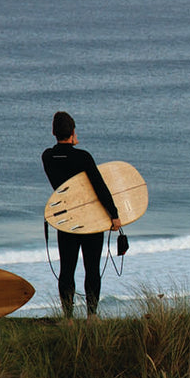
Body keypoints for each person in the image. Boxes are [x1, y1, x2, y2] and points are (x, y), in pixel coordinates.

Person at [42, 111, 120, 318]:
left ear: (53, 132)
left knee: (67, 269)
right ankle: (91, 317)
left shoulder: (48, 157)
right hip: (90, 219)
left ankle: (68, 318)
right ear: (73, 132)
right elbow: (99, 187)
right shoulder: (83, 157)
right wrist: (114, 214)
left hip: (66, 219)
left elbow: (65, 180)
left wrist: (69, 142)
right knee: (92, 269)